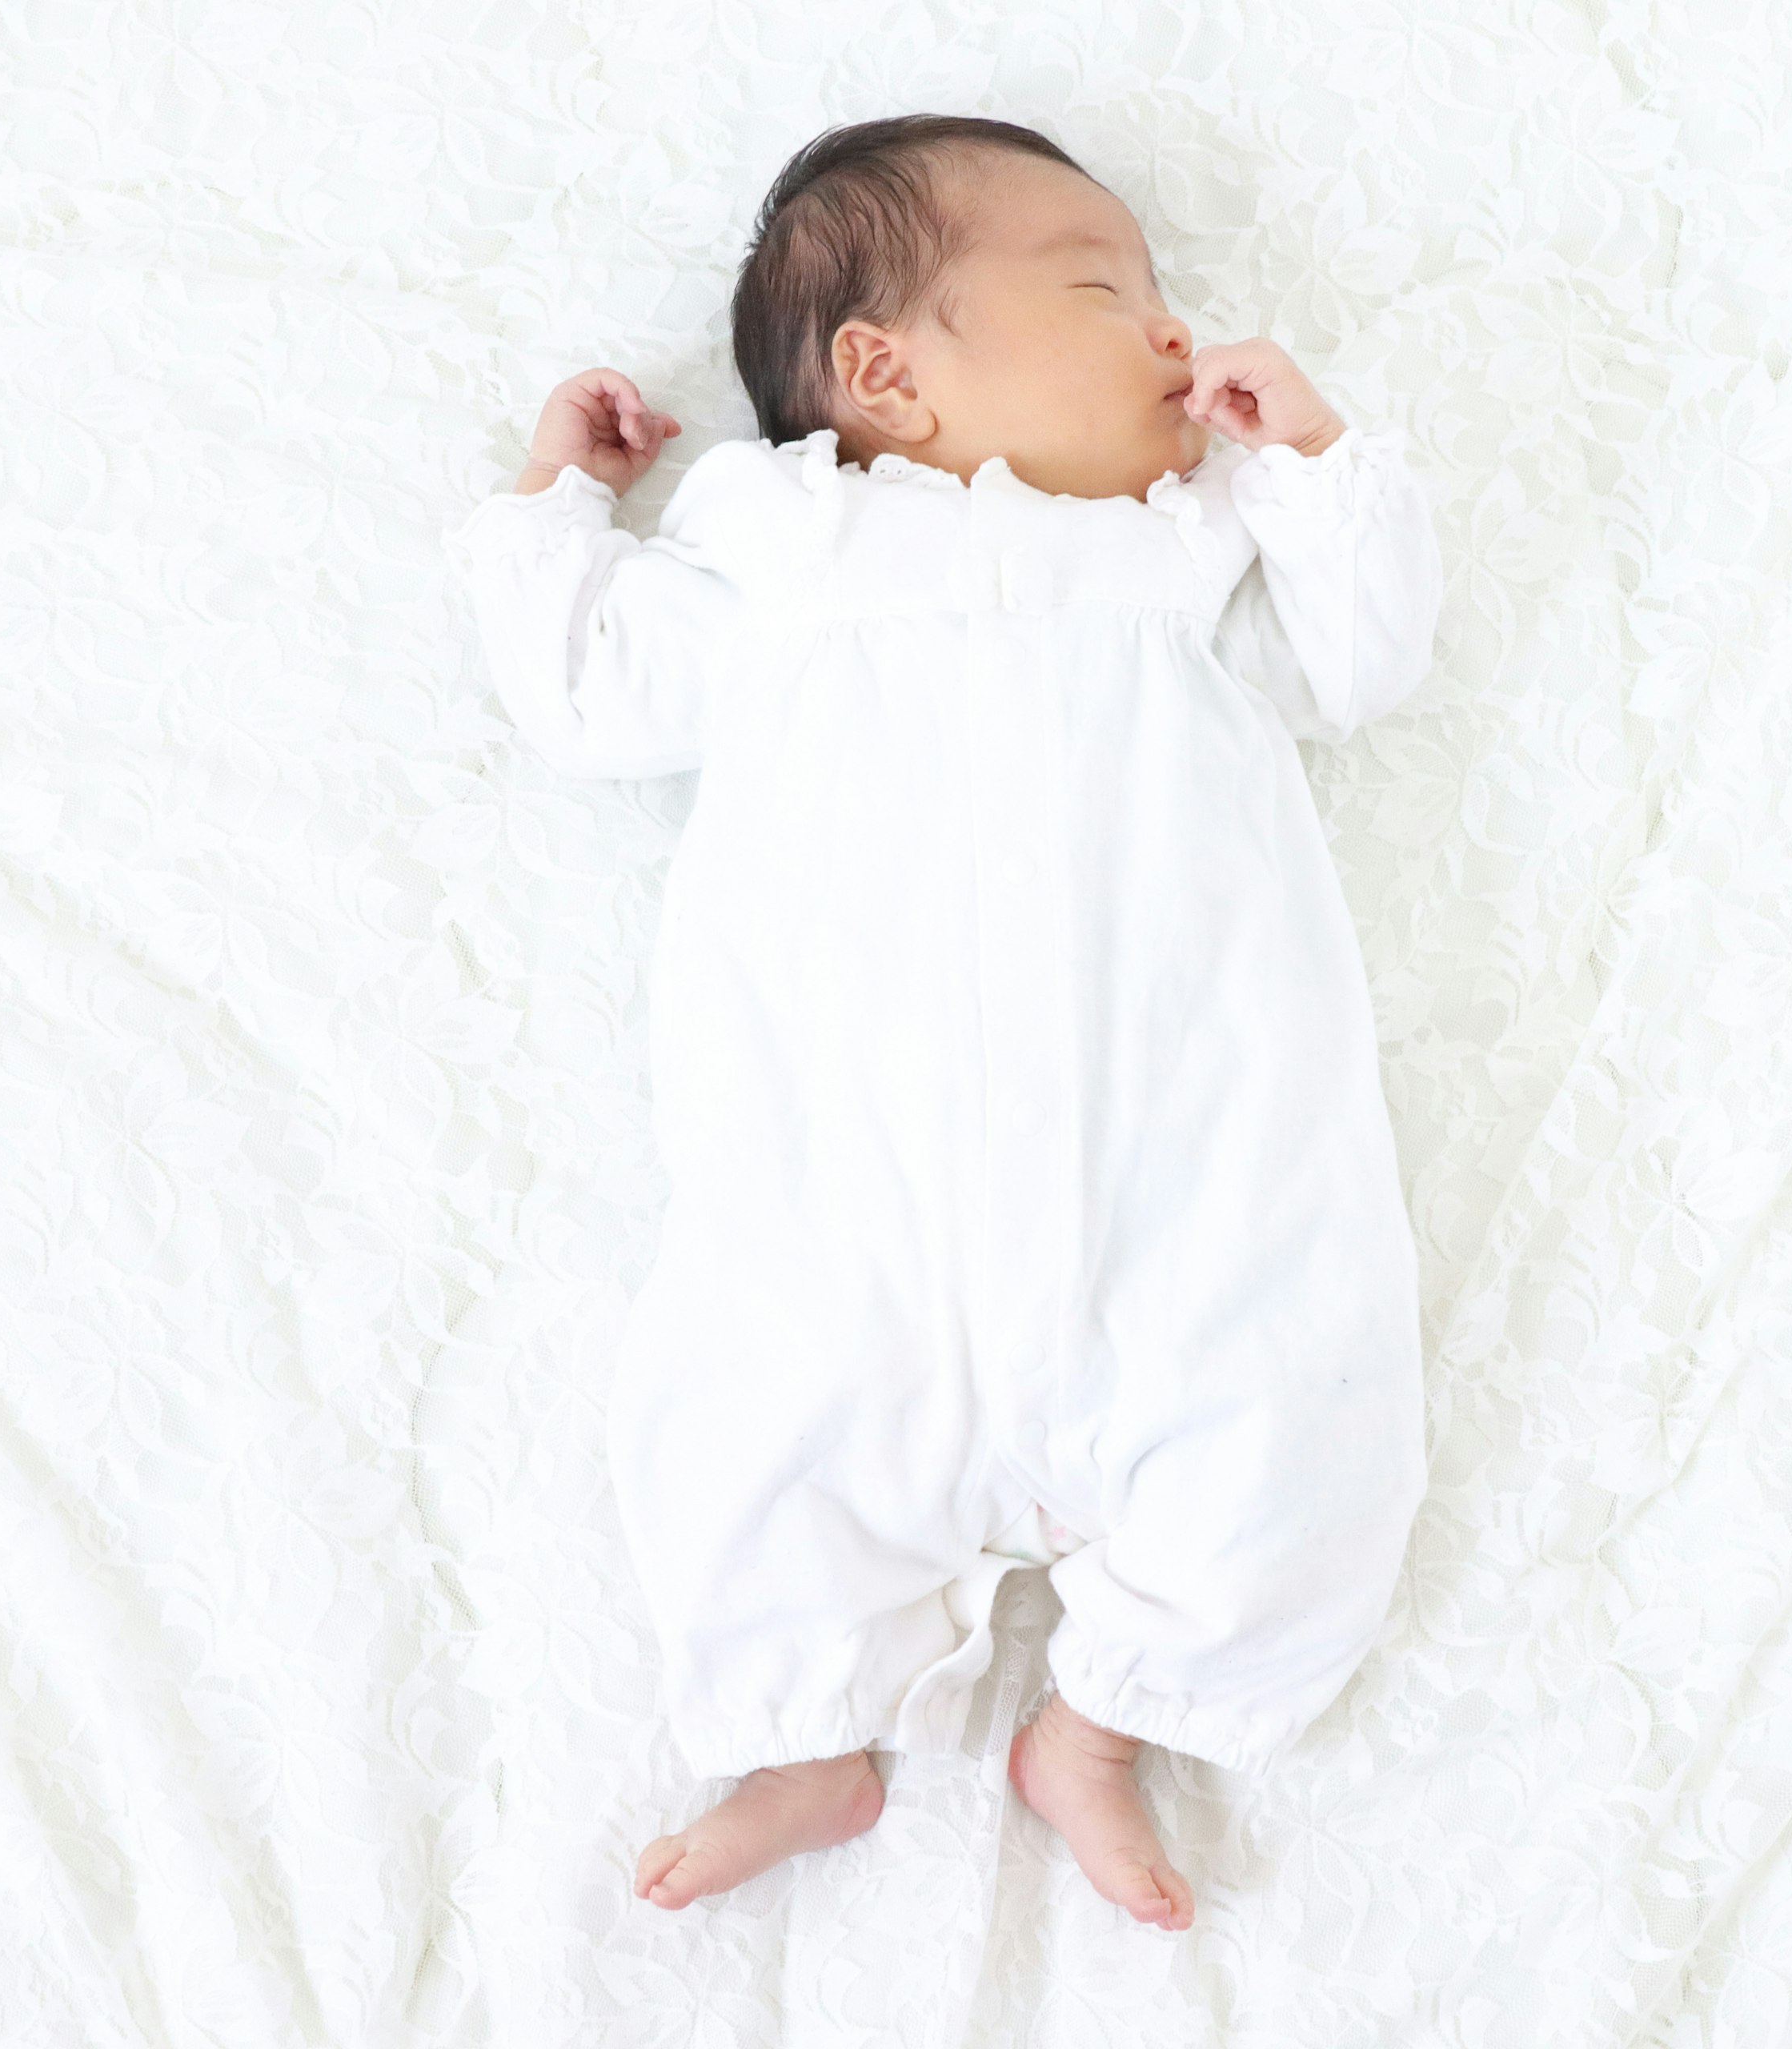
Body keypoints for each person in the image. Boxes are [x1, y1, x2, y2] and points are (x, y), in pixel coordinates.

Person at [443, 112, 1444, 1934]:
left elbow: (1366, 658)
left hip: (1190, 1196)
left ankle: (1105, 1720)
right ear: (883, 374)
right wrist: (552, 499)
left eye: (1162, 298)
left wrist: (1308, 457)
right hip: (854, 1204)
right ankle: (806, 1735)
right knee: (750, 1426)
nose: (1167, 331)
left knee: (1310, 1416)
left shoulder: (1185, 561)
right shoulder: (778, 560)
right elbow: (582, 688)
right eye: (1100, 289)